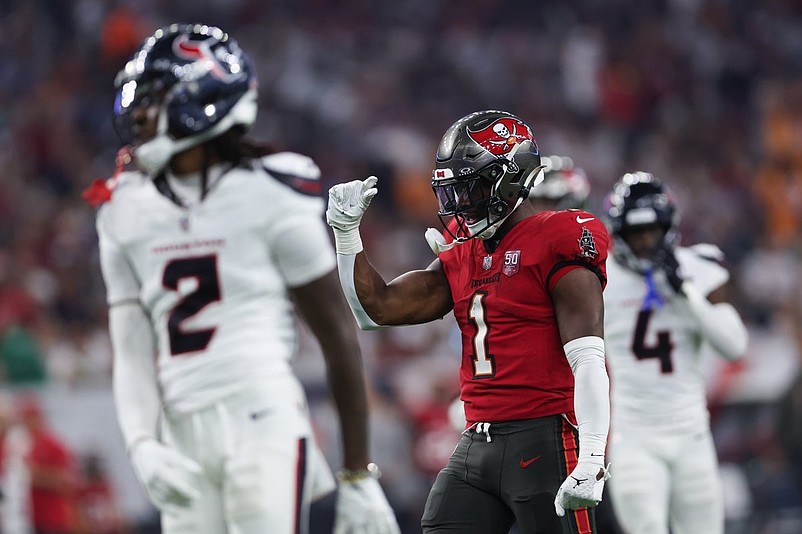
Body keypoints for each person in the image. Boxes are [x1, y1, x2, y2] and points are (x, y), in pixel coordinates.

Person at [85, 23, 399, 534]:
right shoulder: (123, 208)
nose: (135, 115)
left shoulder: (271, 190)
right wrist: (142, 441)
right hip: (180, 429)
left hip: (263, 419)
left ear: (203, 97)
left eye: (152, 99)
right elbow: (132, 347)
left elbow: (339, 336)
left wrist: (358, 473)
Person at [327, 110, 612, 533]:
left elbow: (588, 358)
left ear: (511, 179)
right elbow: (377, 310)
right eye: (454, 190)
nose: (460, 203)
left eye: (472, 187)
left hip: (547, 436)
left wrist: (591, 455)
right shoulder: (466, 251)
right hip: (476, 442)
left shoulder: (557, 236)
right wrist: (347, 234)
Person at [602, 171, 749, 534]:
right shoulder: (599, 279)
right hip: (634, 437)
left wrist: (686, 292)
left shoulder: (698, 269)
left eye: (652, 229)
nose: (646, 240)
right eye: (636, 232)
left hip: (692, 435)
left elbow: (735, 347)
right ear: (619, 233)